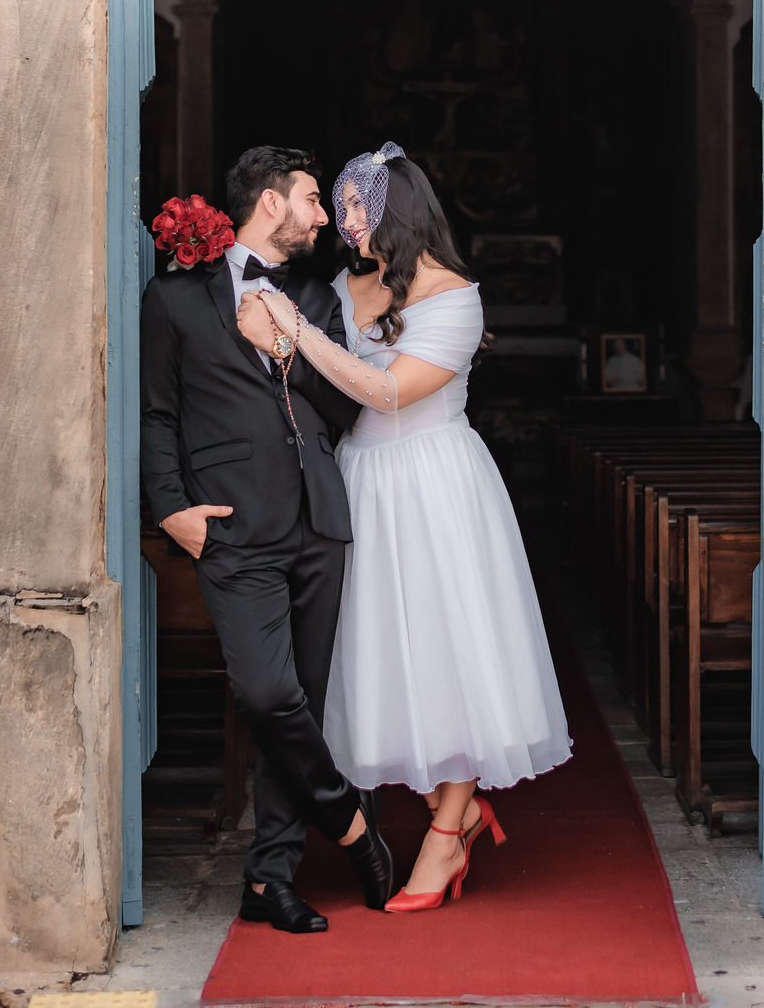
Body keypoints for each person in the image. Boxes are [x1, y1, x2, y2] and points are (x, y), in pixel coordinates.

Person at [240, 144, 572, 913]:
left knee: (449, 647)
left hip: (435, 482)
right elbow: (304, 375)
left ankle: (448, 830)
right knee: (379, 648)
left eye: (354, 208)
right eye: (343, 208)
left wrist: (298, 333)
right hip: (363, 481)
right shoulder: (344, 284)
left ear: (395, 212)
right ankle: (440, 803)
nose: (342, 222)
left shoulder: (456, 298)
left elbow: (389, 392)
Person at [140, 145, 396, 935]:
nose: (324, 216)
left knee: (304, 707)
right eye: (314, 200)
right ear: (271, 202)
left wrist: (285, 341)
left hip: (319, 522)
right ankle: (351, 822)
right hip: (230, 531)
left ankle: (270, 879)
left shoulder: (317, 297)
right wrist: (171, 510)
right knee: (266, 693)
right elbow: (155, 414)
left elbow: (347, 407)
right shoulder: (175, 297)